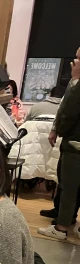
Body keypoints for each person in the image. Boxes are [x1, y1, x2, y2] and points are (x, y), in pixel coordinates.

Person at [39, 49, 80, 240]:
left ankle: (61, 227)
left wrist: (75, 80)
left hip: (75, 145)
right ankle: (67, 218)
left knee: (70, 186)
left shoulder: (77, 84)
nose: (74, 61)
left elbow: (70, 110)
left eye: (79, 58)